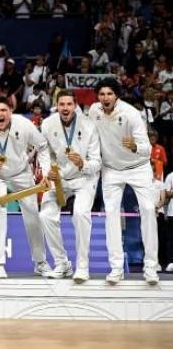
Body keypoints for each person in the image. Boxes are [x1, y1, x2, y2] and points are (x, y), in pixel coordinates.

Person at [89, 78, 159, 285]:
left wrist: (135, 147)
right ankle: (116, 268)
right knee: (111, 214)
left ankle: (151, 268)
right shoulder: (94, 111)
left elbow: (147, 149)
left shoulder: (131, 114)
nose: (105, 98)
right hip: (111, 170)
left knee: (147, 210)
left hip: (138, 168)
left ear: (116, 95)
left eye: (109, 94)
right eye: (102, 94)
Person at [0, 95, 50, 279]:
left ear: (11, 111)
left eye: (3, 110)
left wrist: (46, 173)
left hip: (21, 173)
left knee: (33, 215)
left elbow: (42, 146)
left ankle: (40, 262)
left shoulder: (24, 124)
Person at [39, 90, 101, 283]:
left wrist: (83, 164)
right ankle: (62, 263)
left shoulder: (89, 126)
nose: (65, 108)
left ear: (75, 106)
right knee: (45, 215)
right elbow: (44, 151)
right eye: (61, 104)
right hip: (60, 178)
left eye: (69, 104)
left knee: (80, 214)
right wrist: (47, 170)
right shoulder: (48, 124)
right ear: (57, 105)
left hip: (85, 177)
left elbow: (97, 162)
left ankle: (82, 266)